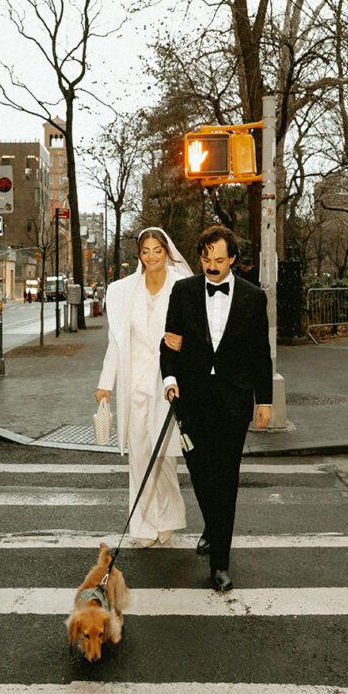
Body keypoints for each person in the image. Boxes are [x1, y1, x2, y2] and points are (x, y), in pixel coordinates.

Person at [160, 225, 273, 592]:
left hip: (233, 401)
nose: (211, 265)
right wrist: (169, 380)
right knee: (200, 472)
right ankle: (213, 524)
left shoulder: (254, 298)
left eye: (219, 260)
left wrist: (265, 400)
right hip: (191, 400)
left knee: (225, 480)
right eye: (206, 258)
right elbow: (169, 344)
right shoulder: (183, 291)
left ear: (234, 260)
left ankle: (220, 564)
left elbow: (260, 355)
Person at [95, 228, 192, 546]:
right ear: (139, 254)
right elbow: (116, 342)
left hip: (167, 382)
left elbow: (193, 334)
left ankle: (170, 517)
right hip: (135, 384)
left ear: (167, 252)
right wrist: (105, 383)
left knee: (163, 455)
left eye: (157, 250)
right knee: (139, 455)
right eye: (145, 251)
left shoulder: (181, 287)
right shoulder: (124, 292)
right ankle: (144, 526)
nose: (151, 256)